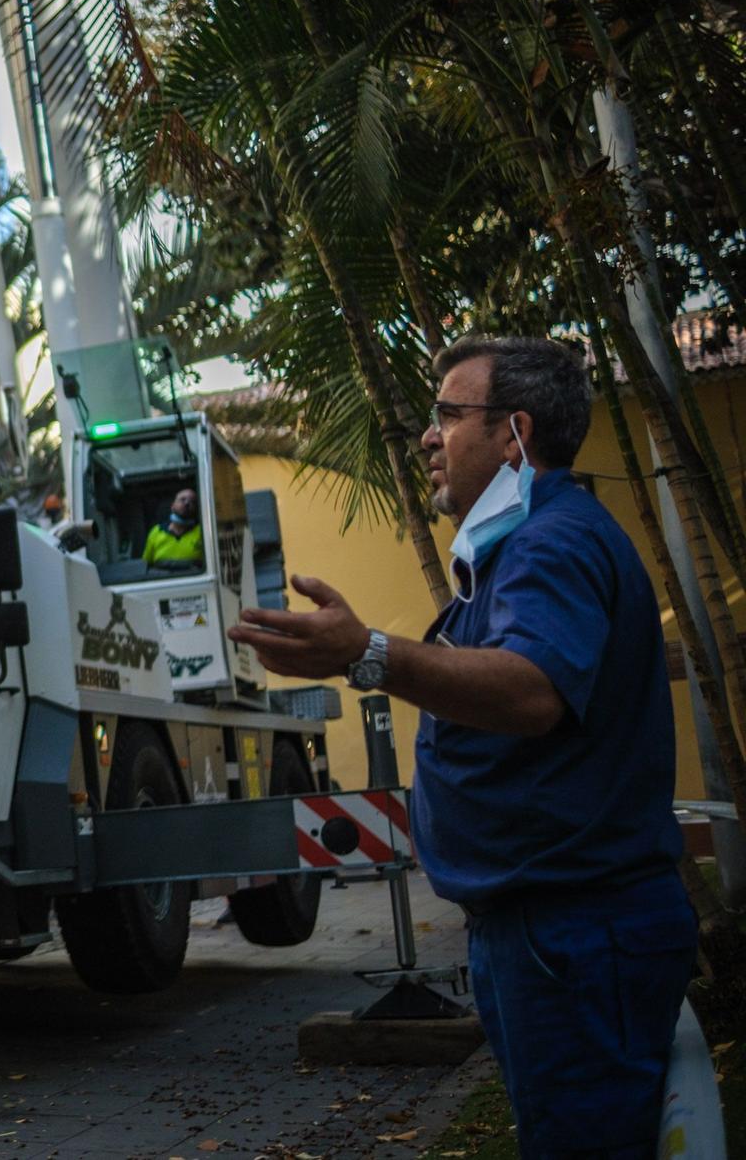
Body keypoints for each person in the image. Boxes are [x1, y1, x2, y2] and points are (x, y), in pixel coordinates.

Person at [224, 336, 693, 1159]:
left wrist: (366, 652)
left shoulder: (552, 543)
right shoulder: (517, 550)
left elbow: (531, 689)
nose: (429, 437)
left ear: (514, 433)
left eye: (447, 415)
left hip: (574, 933)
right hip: (549, 933)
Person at [141, 487, 202, 569]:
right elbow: (146, 564)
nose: (187, 503)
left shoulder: (202, 532)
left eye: (192, 502)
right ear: (172, 506)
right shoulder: (156, 531)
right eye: (182, 499)